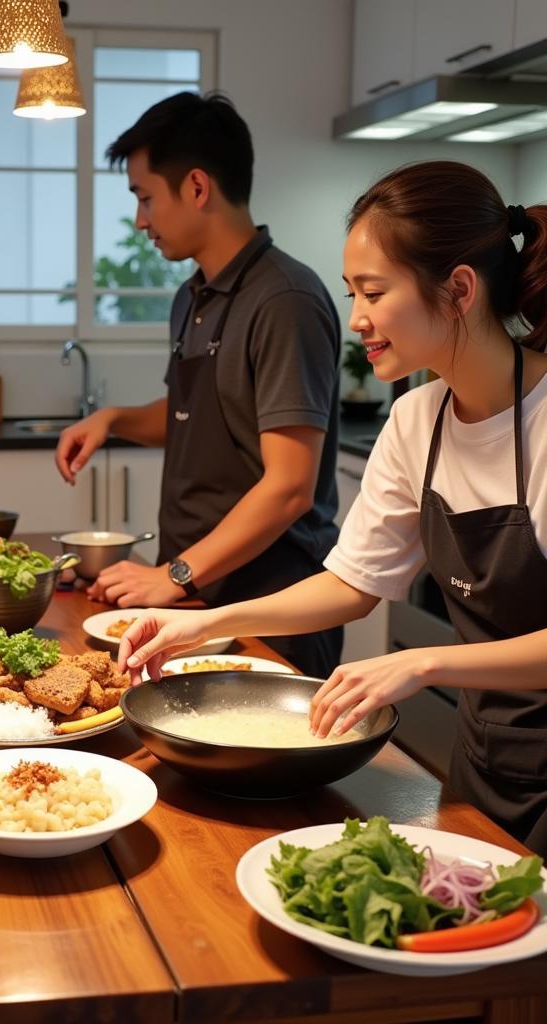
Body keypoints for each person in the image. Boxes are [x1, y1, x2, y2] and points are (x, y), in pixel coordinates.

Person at [117, 160, 547, 856]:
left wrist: (427, 663)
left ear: (459, 289)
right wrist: (205, 622)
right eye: (352, 293)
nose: (357, 321)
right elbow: (351, 585)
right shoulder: (417, 420)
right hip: (488, 759)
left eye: (373, 293)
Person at [54, 92, 342, 678]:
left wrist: (175, 572)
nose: (140, 220)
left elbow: (290, 488)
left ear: (197, 187)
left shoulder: (284, 299)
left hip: (267, 602)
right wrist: (111, 420)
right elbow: (195, 411)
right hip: (196, 590)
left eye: (144, 197)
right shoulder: (194, 296)